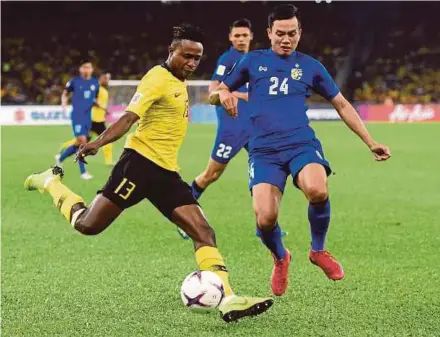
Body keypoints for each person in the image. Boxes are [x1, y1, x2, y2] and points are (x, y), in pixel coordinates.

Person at [24, 23, 273, 323]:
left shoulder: (179, 81)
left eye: (197, 58)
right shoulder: (157, 77)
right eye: (187, 56)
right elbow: (129, 118)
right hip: (139, 166)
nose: (192, 63)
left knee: (203, 232)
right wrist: (98, 142)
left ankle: (229, 298)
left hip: (167, 173)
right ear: (172, 50)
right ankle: (51, 183)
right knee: (88, 225)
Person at [209, 5, 391, 296]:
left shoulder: (311, 66)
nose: (286, 39)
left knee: (317, 190)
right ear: (269, 33)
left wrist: (370, 141)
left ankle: (318, 250)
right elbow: (214, 92)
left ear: (300, 33)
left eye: (292, 33)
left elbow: (342, 104)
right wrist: (222, 94)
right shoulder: (252, 62)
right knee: (265, 218)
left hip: (300, 143)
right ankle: (281, 257)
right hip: (263, 150)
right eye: (280, 33)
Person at [177, 18, 287, 240]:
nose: (240, 39)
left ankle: (267, 225)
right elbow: (213, 91)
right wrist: (239, 94)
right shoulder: (227, 60)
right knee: (211, 174)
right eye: (236, 36)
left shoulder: (255, 60)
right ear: (230, 38)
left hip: (255, 127)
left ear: (251, 37)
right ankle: (183, 219)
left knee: (267, 173)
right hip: (232, 128)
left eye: (244, 35)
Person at [56, 59, 101, 180]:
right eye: (84, 67)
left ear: (92, 69)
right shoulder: (74, 82)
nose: (86, 70)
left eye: (89, 67)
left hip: (88, 117)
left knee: (78, 144)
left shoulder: (95, 83)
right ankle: (83, 172)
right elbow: (65, 93)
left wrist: (101, 107)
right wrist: (64, 103)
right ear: (80, 69)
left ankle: (60, 158)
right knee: (82, 142)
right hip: (77, 115)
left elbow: (93, 99)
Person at [58, 72, 113, 166]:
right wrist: (103, 108)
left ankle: (64, 147)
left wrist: (104, 111)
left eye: (109, 78)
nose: (108, 80)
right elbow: (92, 100)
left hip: (98, 119)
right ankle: (108, 161)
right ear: (102, 78)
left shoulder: (104, 90)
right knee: (107, 139)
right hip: (95, 120)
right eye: (107, 78)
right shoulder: (97, 88)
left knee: (82, 140)